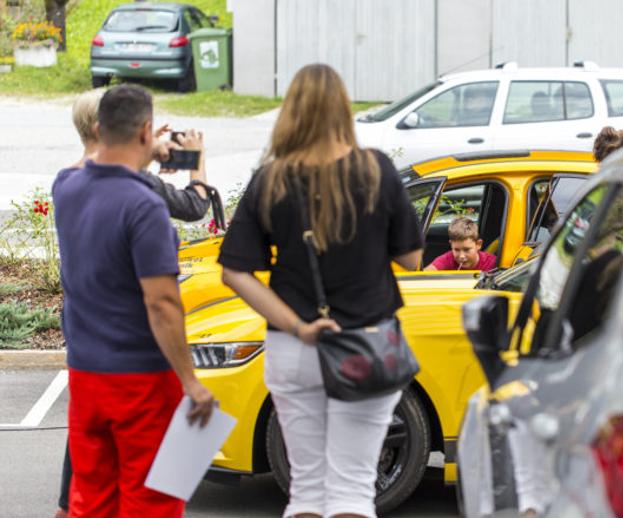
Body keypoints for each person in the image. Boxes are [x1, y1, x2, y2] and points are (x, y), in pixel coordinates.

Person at [218, 64, 423, 518]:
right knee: (353, 490)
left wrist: (298, 326)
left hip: (294, 348)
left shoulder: (271, 179)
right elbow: (411, 258)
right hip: (365, 344)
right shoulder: (376, 171)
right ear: (343, 110)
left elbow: (234, 272)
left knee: (307, 490)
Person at [52, 84, 215, 517]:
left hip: (86, 375)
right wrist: (191, 382)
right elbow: (162, 305)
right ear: (145, 131)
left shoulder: (66, 187)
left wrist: (144, 151)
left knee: (92, 498)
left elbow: (93, 166)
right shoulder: (145, 206)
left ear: (98, 130)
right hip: (142, 380)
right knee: (154, 501)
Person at [69, 88, 211, 221]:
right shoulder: (131, 180)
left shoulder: (67, 179)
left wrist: (141, 152)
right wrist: (197, 158)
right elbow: (195, 206)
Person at [424, 216, 498, 272]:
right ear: (451, 245)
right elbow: (424, 276)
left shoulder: (491, 263)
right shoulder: (448, 259)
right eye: (456, 250)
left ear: (478, 244)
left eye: (466, 249)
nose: (461, 256)